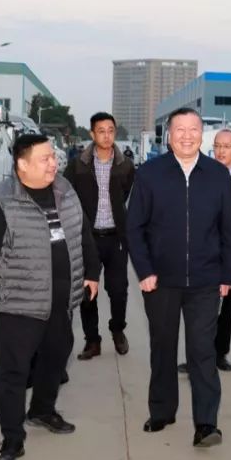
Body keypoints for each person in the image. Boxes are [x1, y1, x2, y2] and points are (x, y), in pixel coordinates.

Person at [0, 134, 100, 460]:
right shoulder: (0, 202)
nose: (53, 163)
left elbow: (82, 232)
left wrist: (92, 271)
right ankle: (12, 438)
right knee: (12, 372)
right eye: (45, 159)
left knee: (56, 359)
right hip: (18, 303)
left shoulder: (65, 191)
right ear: (22, 165)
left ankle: (42, 409)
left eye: (53, 156)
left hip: (61, 300)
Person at [126, 108, 231, 448]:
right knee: (163, 347)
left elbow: (227, 229)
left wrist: (226, 273)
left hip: (205, 280)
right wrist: (145, 271)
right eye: (180, 130)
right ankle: (162, 411)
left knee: (202, 351)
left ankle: (206, 424)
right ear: (168, 135)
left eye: (193, 130)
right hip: (160, 281)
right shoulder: (150, 174)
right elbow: (134, 227)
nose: (187, 136)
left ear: (202, 134)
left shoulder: (217, 174)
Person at [178, 129, 231, 372]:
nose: (221, 151)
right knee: (200, 309)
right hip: (203, 256)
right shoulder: (201, 177)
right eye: (218, 146)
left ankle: (220, 353)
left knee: (228, 306)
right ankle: (196, 357)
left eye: (227, 146)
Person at [64, 112, 135, 360]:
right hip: (88, 239)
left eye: (111, 130)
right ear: (92, 134)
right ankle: (92, 340)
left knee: (119, 290)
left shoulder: (125, 165)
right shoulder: (78, 165)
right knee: (87, 291)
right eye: (101, 131)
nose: (107, 135)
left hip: (116, 238)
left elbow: (127, 195)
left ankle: (117, 330)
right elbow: (67, 196)